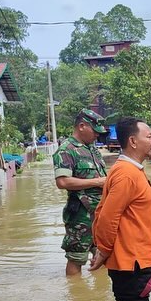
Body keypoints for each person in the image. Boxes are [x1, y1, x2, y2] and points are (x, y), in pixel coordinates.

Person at [89, 118, 151, 301]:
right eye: (149, 136)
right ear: (133, 141)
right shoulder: (127, 174)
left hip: (129, 259)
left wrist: (103, 250)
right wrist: (103, 250)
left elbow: (102, 211)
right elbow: (107, 217)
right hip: (133, 260)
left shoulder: (126, 170)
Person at [52, 109, 108, 276]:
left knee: (103, 254)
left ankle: (100, 290)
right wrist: (97, 182)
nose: (97, 135)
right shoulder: (66, 150)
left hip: (100, 212)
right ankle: (74, 290)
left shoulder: (92, 149)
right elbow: (62, 182)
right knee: (76, 257)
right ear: (82, 126)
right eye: (95, 131)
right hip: (80, 215)